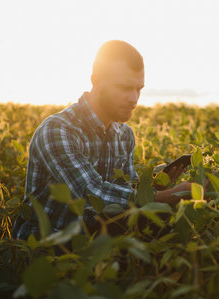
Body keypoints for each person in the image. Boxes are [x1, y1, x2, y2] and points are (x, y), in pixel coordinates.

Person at [12, 40, 191, 240]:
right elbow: (91, 193)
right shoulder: (57, 130)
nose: (134, 98)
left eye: (138, 89)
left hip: (97, 241)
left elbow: (124, 193)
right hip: (45, 247)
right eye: (124, 88)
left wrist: (156, 189)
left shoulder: (124, 135)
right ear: (96, 81)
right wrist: (169, 196)